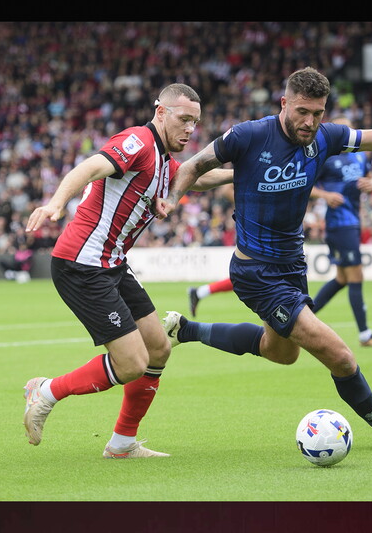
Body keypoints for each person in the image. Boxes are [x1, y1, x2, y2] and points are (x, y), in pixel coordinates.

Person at [156, 67, 372, 451]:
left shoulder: (328, 137)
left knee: (281, 353)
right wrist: (172, 199)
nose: (309, 122)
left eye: (317, 113)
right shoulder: (248, 135)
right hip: (256, 271)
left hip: (293, 266)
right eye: (302, 111)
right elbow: (193, 166)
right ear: (284, 103)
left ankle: (185, 329)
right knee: (339, 354)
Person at [22, 83, 232, 458]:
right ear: (160, 112)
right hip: (81, 264)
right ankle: (47, 391)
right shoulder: (138, 141)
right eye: (183, 119)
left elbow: (197, 178)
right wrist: (56, 204)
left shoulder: (165, 160)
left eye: (195, 123)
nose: (189, 129)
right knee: (132, 363)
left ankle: (121, 445)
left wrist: (238, 174)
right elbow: (89, 167)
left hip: (113, 264)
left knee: (159, 349)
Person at [308, 117, 372, 347]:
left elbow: (370, 178)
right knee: (356, 277)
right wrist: (325, 196)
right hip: (339, 223)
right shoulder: (325, 157)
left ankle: (302, 318)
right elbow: (305, 183)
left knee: (342, 278)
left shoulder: (360, 154)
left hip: (352, 221)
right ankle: (365, 334)